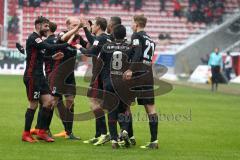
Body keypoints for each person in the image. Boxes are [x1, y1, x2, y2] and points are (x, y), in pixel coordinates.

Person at [22, 16, 70, 143]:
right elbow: (48, 47)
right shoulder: (34, 38)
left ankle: (41, 132)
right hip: (32, 76)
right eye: (45, 26)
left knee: (49, 102)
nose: (47, 29)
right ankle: (26, 134)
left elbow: (42, 56)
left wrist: (53, 57)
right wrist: (67, 44)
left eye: (48, 26)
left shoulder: (39, 40)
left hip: (40, 76)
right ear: (38, 26)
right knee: (33, 104)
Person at [123, 14, 158, 149]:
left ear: (136, 24)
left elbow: (137, 53)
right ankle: (154, 141)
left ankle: (130, 136)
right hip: (148, 73)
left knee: (126, 104)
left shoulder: (136, 36)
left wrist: (131, 69)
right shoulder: (150, 39)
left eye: (132, 23)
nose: (131, 25)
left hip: (138, 73)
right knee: (150, 108)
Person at [77, 17, 111, 145]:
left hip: (99, 74)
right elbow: (93, 41)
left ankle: (104, 133)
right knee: (99, 103)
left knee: (93, 102)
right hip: (105, 74)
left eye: (93, 25)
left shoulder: (101, 38)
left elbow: (90, 51)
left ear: (98, 27)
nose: (92, 27)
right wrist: (85, 28)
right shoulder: (106, 38)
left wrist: (79, 47)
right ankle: (98, 135)